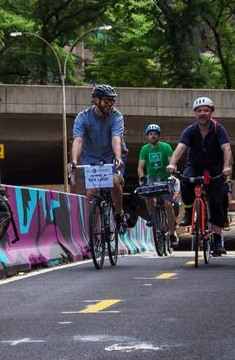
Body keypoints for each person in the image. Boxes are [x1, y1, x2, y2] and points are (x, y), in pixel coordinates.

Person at [166, 96, 232, 256]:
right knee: (185, 181)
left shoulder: (219, 129)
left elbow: (227, 149)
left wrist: (226, 167)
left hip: (215, 168)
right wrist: (173, 164)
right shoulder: (190, 130)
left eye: (206, 110)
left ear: (211, 112)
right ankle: (189, 211)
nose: (202, 113)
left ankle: (217, 239)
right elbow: (181, 147)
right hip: (194, 166)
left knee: (217, 201)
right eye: (199, 111)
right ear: (195, 113)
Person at [70, 84, 126, 231]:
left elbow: (116, 139)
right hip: (91, 158)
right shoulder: (82, 117)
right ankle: (91, 231)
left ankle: (119, 213)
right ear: (96, 100)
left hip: (112, 157)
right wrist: (74, 161)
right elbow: (78, 140)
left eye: (112, 101)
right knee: (90, 192)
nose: (110, 104)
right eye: (107, 101)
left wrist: (118, 157)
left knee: (114, 181)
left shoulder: (116, 116)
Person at [137, 124, 178, 246]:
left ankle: (172, 233)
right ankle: (152, 216)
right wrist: (141, 178)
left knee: (167, 204)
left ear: (158, 136)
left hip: (165, 179)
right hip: (152, 179)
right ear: (147, 136)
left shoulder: (166, 147)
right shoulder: (144, 149)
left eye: (155, 134)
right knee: (147, 194)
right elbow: (140, 166)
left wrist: (172, 173)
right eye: (150, 134)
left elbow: (173, 163)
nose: (153, 136)